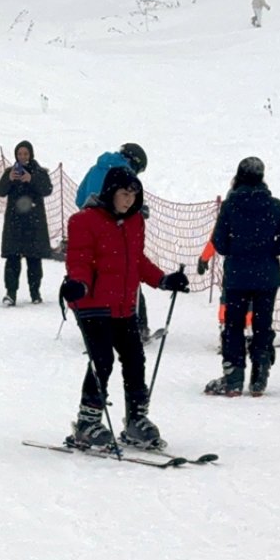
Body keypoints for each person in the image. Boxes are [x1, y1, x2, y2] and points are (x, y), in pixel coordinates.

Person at [59, 167, 190, 450]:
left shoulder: (134, 223)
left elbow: (137, 261)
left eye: (133, 195)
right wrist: (78, 284)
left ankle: (136, 419)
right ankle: (88, 422)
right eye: (123, 194)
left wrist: (163, 280)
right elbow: (80, 259)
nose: (128, 200)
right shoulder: (84, 221)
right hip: (92, 303)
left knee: (134, 359)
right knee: (102, 360)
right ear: (110, 192)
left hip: (124, 305)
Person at [205, 157, 280, 397]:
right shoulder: (275, 205)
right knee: (262, 325)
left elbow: (220, 244)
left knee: (233, 325)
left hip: (237, 277)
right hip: (267, 277)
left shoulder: (230, 206)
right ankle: (260, 376)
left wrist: (239, 250)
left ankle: (233, 377)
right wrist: (267, 251)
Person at [75, 143, 153, 339]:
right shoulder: (124, 173)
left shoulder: (95, 169)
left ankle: (96, 326)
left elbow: (79, 197)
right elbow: (130, 203)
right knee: (128, 276)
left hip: (90, 232)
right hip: (115, 231)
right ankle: (138, 327)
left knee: (97, 278)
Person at [0, 140, 52, 305]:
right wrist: (9, 179)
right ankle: (11, 293)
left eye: (25, 154)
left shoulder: (40, 172)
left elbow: (47, 189)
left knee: (34, 260)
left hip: (34, 223)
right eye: (20, 154)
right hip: (14, 223)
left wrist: (31, 179)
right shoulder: (10, 172)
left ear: (31, 154)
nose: (22, 157)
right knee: (12, 259)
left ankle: (35, 293)